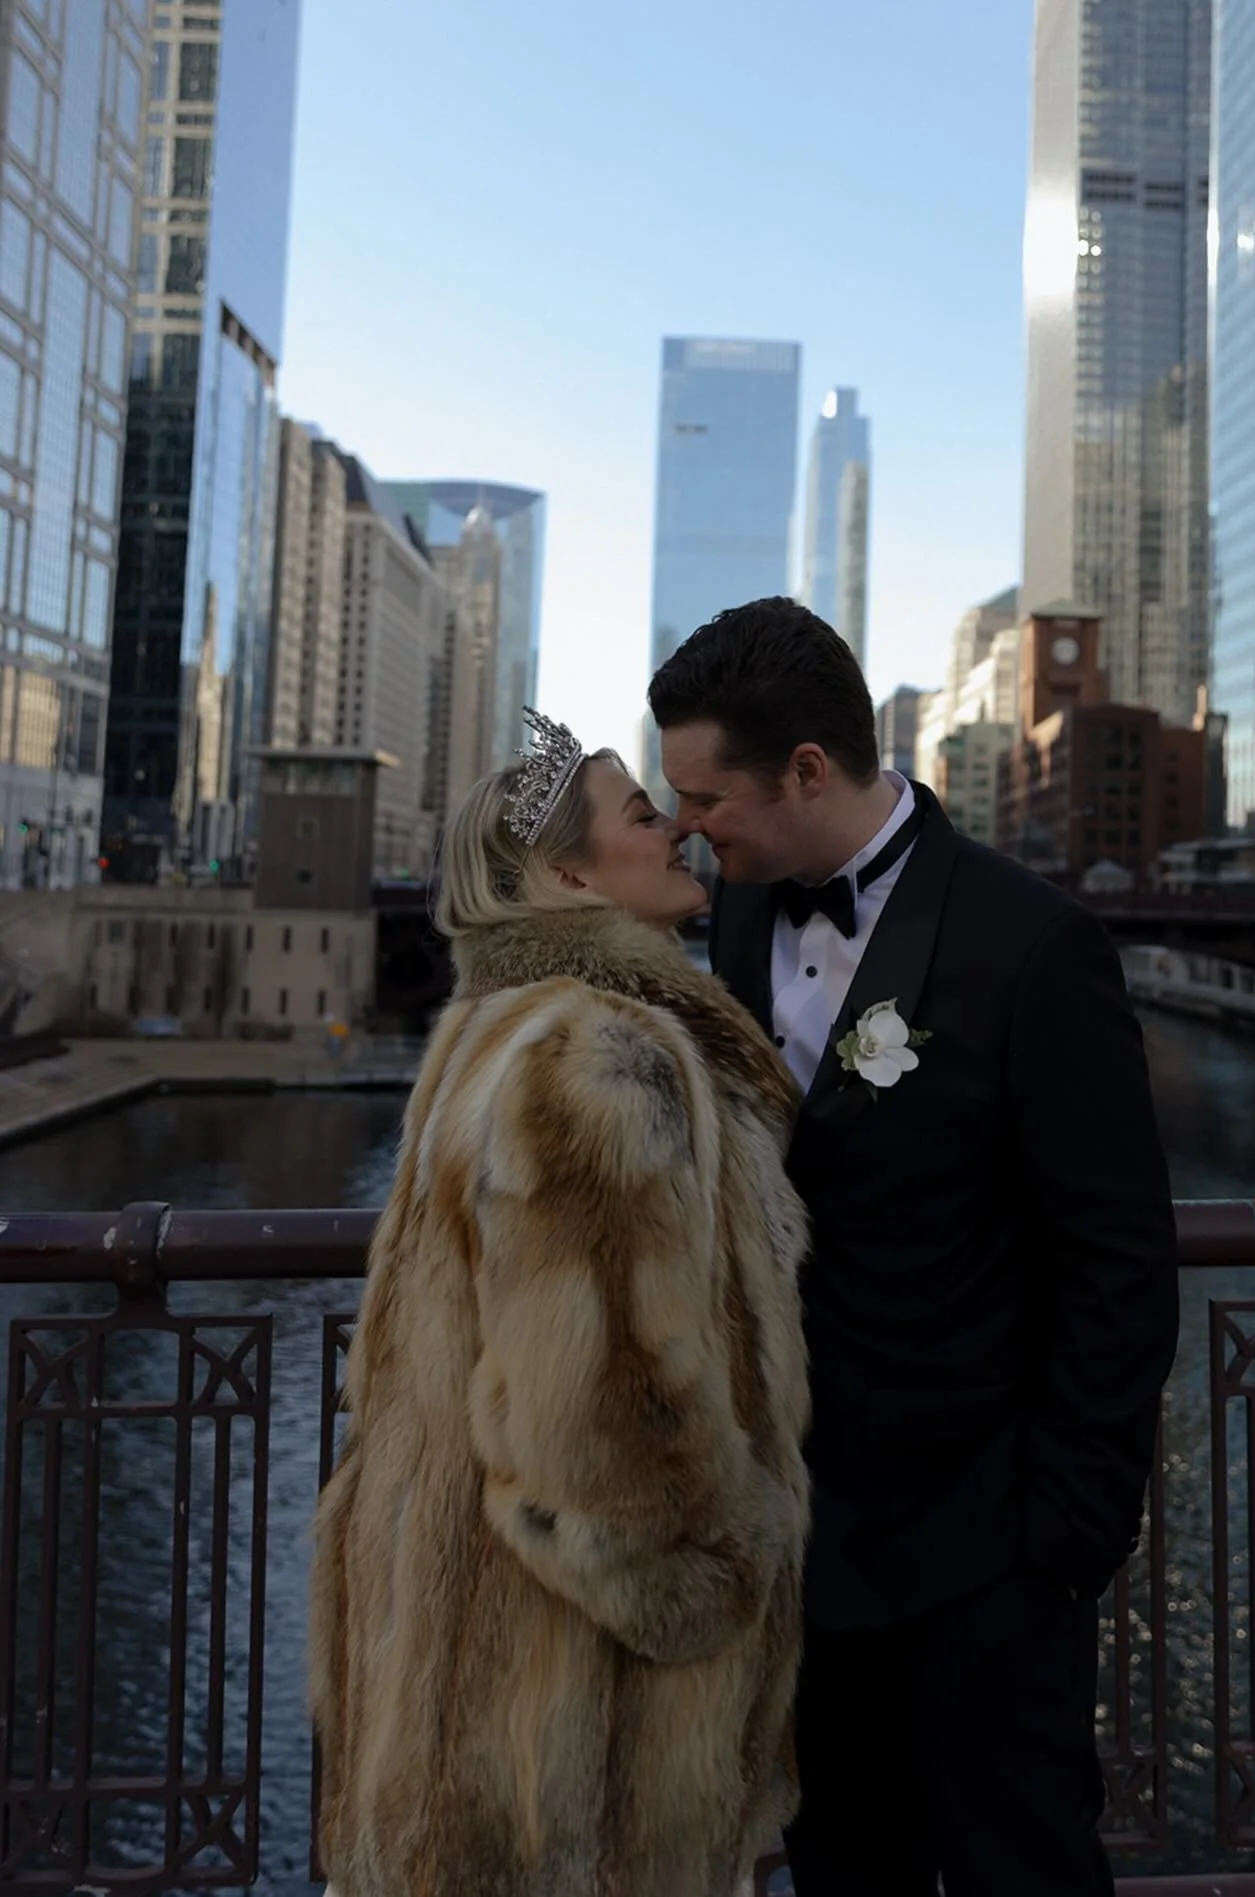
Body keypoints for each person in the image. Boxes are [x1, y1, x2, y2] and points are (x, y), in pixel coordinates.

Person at [649, 599, 1180, 1897]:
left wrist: (1058, 1542)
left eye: (705, 795)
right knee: (841, 1876)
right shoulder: (729, 918)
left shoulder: (1030, 947)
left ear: (808, 773)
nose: (686, 826)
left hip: (983, 1564)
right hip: (801, 1557)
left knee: (1021, 1874)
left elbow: (1117, 1261)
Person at [309, 710, 810, 1897]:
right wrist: (717, 1582)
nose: (680, 829)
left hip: (467, 1680)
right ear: (571, 873)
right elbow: (597, 1414)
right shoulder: (595, 1054)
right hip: (572, 1734)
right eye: (645, 815)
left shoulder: (493, 1031)